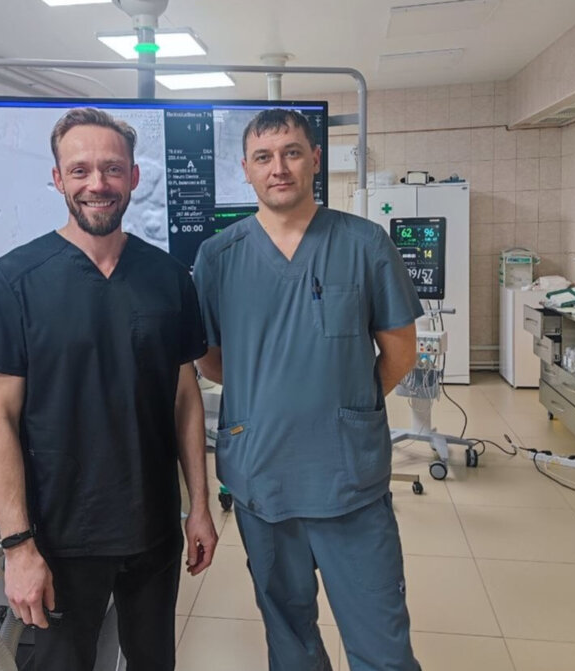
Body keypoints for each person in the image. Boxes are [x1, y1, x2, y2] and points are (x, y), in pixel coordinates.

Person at [0, 107, 218, 671]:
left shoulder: (168, 278)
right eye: (80, 170)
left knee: (154, 661)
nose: (97, 183)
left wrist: (199, 506)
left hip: (153, 528)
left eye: (112, 168)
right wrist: (18, 546)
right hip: (60, 537)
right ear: (58, 179)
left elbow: (185, 397)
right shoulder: (13, 281)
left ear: (133, 177)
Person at [193, 109, 423, 671]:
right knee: (290, 643)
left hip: (348, 480)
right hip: (262, 480)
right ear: (245, 169)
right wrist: (266, 390)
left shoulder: (364, 244)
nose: (279, 168)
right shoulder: (218, 257)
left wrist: (348, 407)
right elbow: (211, 360)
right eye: (264, 157)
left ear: (315, 159)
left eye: (292, 152)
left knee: (383, 648)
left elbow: (400, 352)